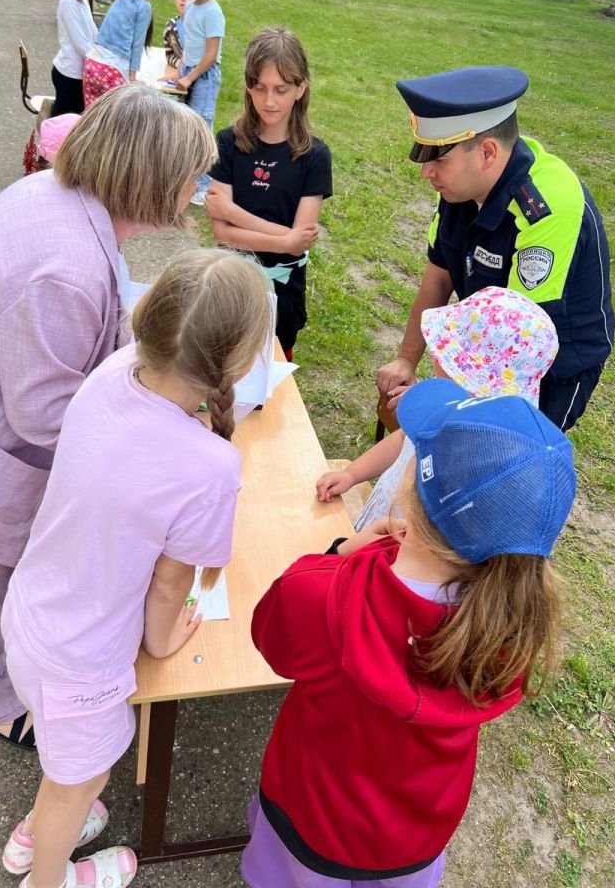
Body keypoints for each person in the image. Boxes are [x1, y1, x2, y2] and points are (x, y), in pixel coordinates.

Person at [0, 85, 216, 751]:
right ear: (154, 179)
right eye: (189, 177)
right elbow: (45, 413)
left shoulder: (65, 207)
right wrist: (161, 435)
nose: (195, 190)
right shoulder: (62, 266)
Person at [0, 247, 272, 888]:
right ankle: (45, 876)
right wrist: (164, 638)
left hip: (32, 614)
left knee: (68, 765)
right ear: (233, 363)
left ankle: (34, 837)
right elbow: (170, 586)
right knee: (82, 778)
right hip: (83, 661)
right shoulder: (211, 465)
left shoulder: (114, 371)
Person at [245, 377, 576, 888]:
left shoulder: (321, 593)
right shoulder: (512, 623)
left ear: (414, 493)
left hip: (311, 818)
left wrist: (338, 553)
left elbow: (272, 644)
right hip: (417, 837)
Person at [376, 66, 614, 432]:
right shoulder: (460, 185)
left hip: (549, 365)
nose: (426, 172)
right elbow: (437, 280)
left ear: (487, 151)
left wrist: (434, 404)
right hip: (492, 347)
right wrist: (406, 361)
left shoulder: (544, 210)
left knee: (503, 456)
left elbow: (509, 347)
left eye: (438, 158)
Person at [318, 285, 559, 529]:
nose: (434, 355)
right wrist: (352, 474)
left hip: (408, 546)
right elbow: (404, 441)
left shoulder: (481, 451)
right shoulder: (440, 402)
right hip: (385, 521)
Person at [206, 27, 332, 360]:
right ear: (248, 85)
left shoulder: (315, 156)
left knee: (272, 372)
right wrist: (285, 240)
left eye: (280, 89)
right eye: (259, 88)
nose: (269, 100)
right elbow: (222, 234)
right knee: (222, 361)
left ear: (301, 88)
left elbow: (298, 239)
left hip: (283, 292)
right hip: (231, 282)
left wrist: (233, 214)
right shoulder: (228, 142)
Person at [176, 0, 225, 205]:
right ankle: (189, 178)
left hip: (204, 76)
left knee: (201, 130)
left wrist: (191, 77)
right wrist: (181, 72)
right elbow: (190, 43)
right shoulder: (191, 8)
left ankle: (204, 185)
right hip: (189, 71)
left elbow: (211, 54)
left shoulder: (212, 12)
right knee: (186, 126)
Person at [83, 0, 155, 107]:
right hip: (113, 71)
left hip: (92, 65)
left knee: (91, 120)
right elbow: (137, 44)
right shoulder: (144, 7)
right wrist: (132, 78)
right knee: (115, 125)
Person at [51, 0, 97, 117]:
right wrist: (98, 60)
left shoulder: (83, 2)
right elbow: (80, 43)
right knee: (64, 119)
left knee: (75, 117)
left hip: (80, 72)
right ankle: (51, 141)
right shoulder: (68, 2)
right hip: (69, 73)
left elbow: (93, 32)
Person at [163, 0, 191, 77]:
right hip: (178, 77)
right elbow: (169, 55)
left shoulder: (200, 27)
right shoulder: (170, 28)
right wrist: (179, 64)